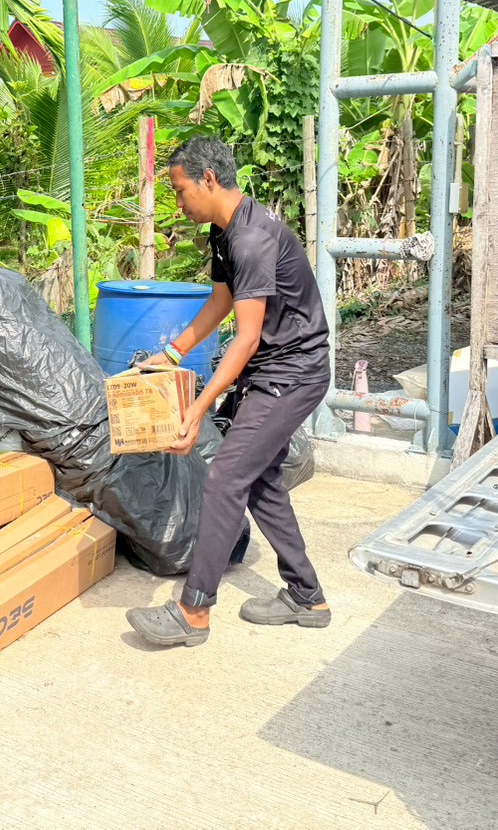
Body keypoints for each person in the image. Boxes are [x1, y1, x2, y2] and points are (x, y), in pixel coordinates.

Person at [125, 136, 332, 648]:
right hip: (273, 369)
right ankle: (307, 596)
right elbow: (221, 303)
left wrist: (198, 408)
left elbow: (247, 338)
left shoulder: (252, 239)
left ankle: (193, 611)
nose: (178, 202)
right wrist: (173, 354)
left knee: (224, 477)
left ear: (209, 180)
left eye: (180, 190)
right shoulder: (225, 232)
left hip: (293, 373)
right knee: (257, 479)